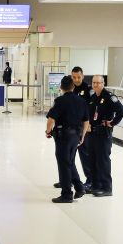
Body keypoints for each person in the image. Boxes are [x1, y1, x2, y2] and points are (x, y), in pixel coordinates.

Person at [46, 75, 90, 203]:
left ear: (61, 87)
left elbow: (51, 120)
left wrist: (48, 132)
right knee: (69, 162)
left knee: (64, 164)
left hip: (63, 136)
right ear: (73, 86)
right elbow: (86, 121)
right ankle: (79, 187)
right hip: (76, 135)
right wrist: (82, 135)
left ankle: (67, 194)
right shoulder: (81, 101)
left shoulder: (60, 101)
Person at [86, 75, 123, 197]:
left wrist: (112, 123)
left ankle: (107, 188)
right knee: (93, 160)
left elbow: (121, 110)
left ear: (103, 83)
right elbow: (90, 114)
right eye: (94, 83)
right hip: (92, 134)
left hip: (103, 134)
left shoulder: (109, 97)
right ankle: (95, 185)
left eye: (98, 83)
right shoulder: (93, 97)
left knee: (103, 161)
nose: (96, 85)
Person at [70, 67, 93, 192]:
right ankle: (68, 178)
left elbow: (91, 109)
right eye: (74, 77)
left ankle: (90, 180)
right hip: (71, 127)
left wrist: (88, 125)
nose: (76, 79)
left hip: (83, 127)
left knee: (85, 154)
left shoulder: (88, 90)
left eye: (78, 77)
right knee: (69, 154)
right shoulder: (70, 89)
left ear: (82, 76)